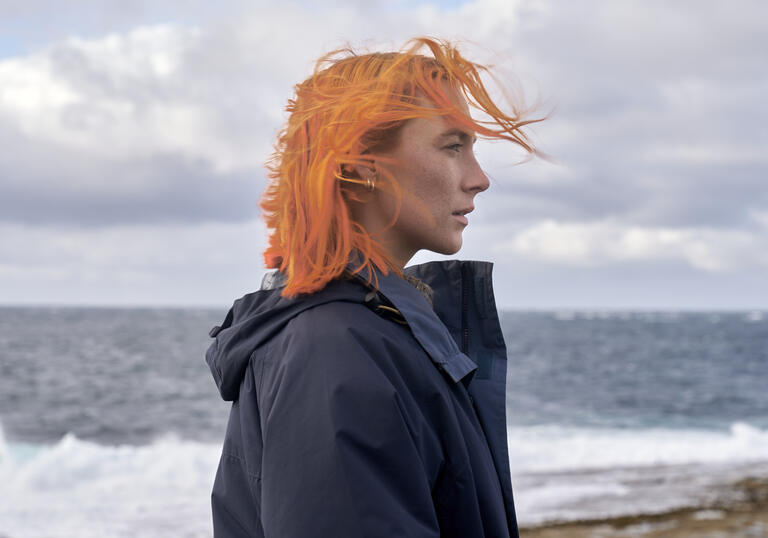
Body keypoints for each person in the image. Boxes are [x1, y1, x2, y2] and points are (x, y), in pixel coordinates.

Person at [205, 37, 541, 538]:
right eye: (453, 146)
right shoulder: (334, 351)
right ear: (361, 163)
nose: (479, 178)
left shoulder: (375, 329)